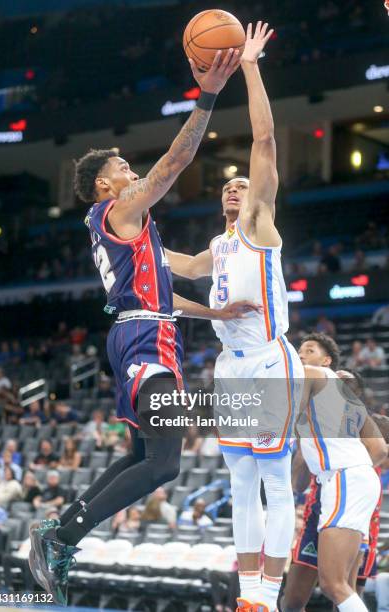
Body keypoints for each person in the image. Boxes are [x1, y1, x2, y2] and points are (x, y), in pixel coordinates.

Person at [29, 47, 251, 605]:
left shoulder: (135, 235)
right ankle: (61, 533)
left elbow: (179, 282)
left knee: (140, 457)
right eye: (123, 170)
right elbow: (173, 163)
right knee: (164, 463)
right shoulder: (118, 213)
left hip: (144, 332)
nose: (133, 173)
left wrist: (217, 309)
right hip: (143, 339)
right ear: (106, 188)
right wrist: (209, 94)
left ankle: (61, 529)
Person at [167, 22, 304, 611]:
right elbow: (175, 264)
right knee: (240, 482)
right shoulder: (217, 248)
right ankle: (250, 596)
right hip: (230, 367)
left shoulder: (258, 225)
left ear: (257, 196)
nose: (234, 187)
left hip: (271, 363)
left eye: (242, 184)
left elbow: (265, 140)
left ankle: (270, 595)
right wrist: (125, 231)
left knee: (276, 481)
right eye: (227, 185)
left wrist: (249, 65)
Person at [281, 333, 383, 611]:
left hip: (343, 478)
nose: (301, 354)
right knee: (337, 585)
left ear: (326, 360)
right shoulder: (341, 396)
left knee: (333, 584)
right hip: (346, 480)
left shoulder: (314, 374)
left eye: (309, 350)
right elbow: (381, 451)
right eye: (299, 350)